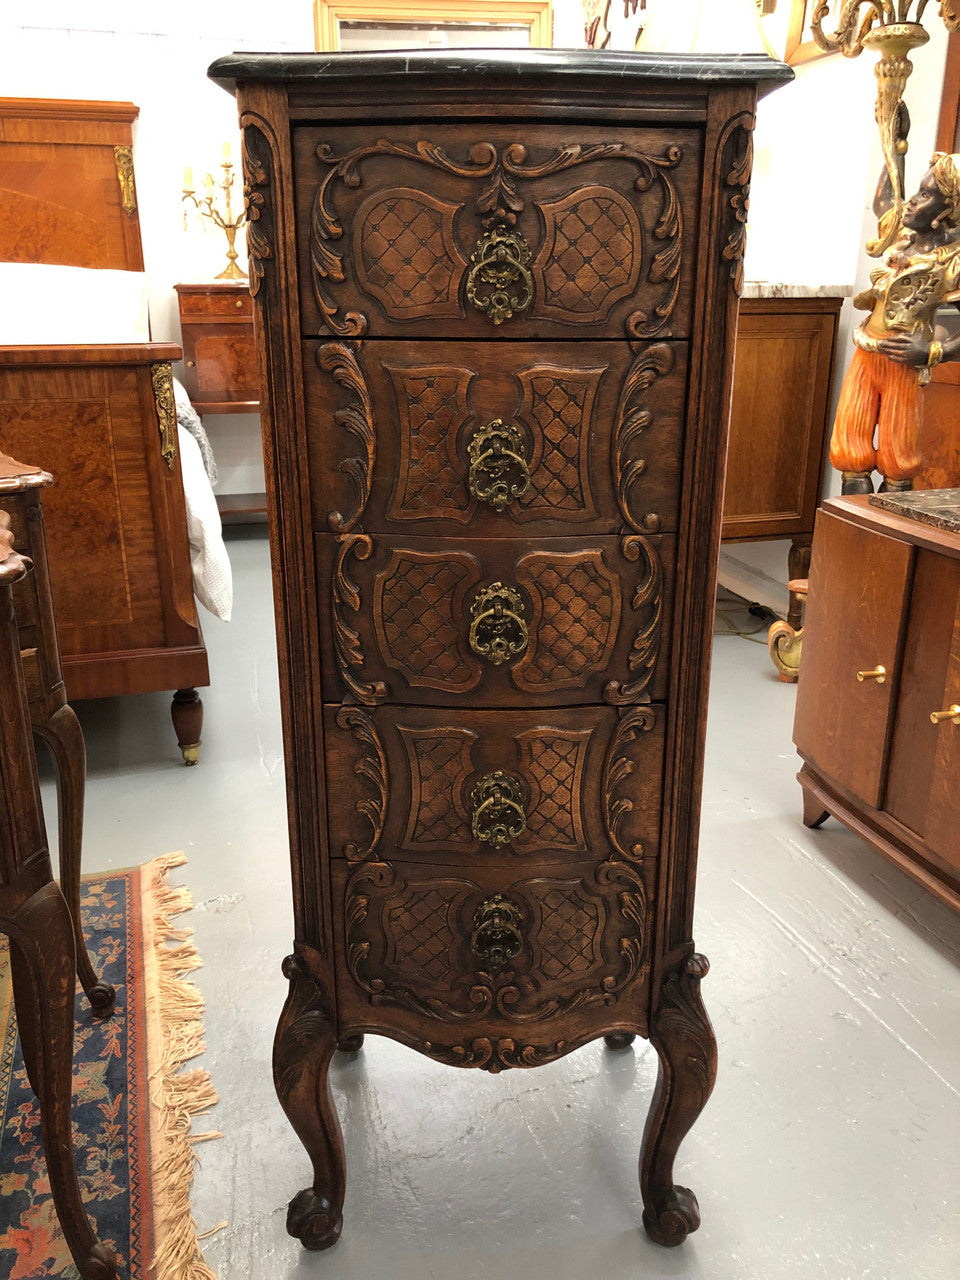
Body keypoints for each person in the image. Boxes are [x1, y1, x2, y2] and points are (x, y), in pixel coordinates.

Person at [830, 152, 960, 494]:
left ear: (946, 212)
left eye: (926, 196)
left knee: (896, 457)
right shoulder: (900, 238)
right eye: (917, 191)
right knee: (849, 451)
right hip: (866, 354)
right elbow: (884, 201)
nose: (912, 201)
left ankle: (887, 539)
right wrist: (893, 142)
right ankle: (851, 532)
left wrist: (934, 351)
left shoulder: (951, 262)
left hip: (903, 365)